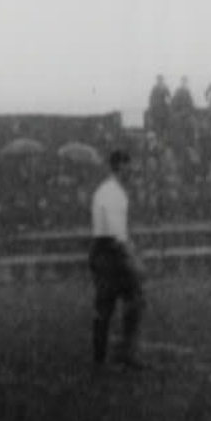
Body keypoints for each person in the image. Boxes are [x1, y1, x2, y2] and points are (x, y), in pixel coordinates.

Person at [88, 150, 146, 369]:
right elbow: (116, 233)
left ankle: (115, 354)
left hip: (107, 249)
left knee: (131, 300)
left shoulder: (111, 190)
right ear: (120, 166)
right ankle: (110, 356)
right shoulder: (113, 193)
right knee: (109, 304)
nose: (132, 170)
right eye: (128, 165)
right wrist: (132, 258)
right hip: (109, 251)